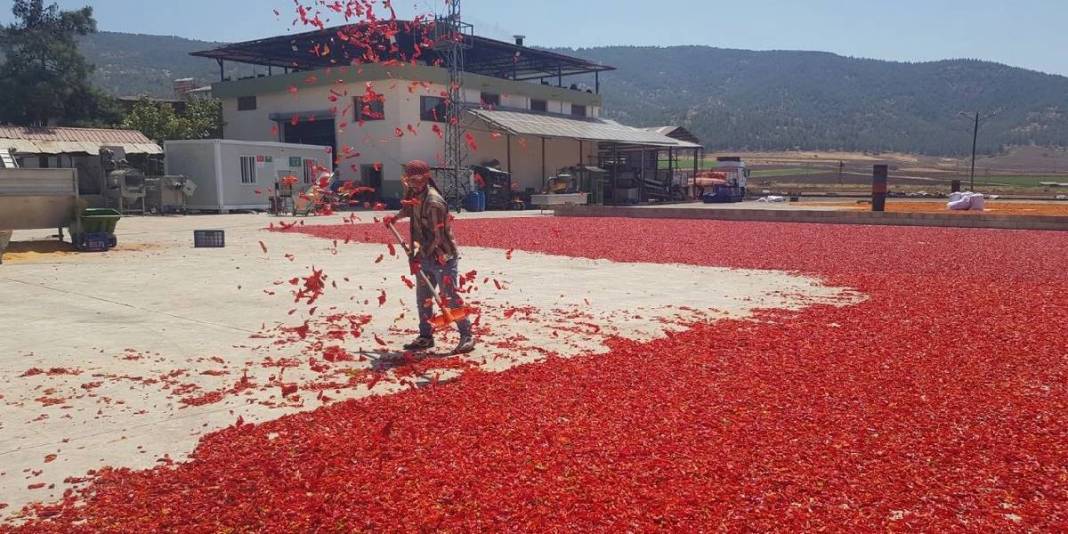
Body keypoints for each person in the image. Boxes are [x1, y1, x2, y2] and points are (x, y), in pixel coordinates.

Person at [386, 160, 475, 355]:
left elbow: (437, 237)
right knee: (424, 298)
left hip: (443, 256)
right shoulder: (413, 193)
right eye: (409, 179)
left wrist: (419, 256)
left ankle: (467, 336)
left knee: (450, 298)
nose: (413, 183)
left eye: (417, 179)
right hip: (423, 255)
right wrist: (395, 217)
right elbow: (408, 209)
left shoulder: (434, 202)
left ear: (426, 178)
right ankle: (426, 337)